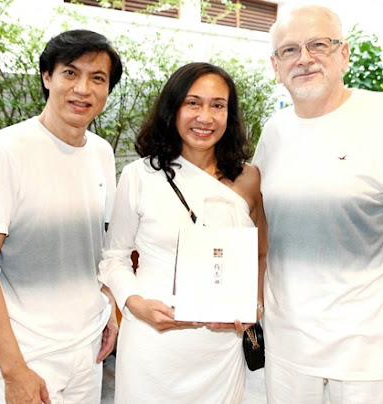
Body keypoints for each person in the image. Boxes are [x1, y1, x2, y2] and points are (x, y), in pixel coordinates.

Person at [252, 4, 383, 404]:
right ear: (275, 66)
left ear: (344, 54)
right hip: (287, 346)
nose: (304, 58)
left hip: (370, 351)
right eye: (290, 50)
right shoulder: (274, 131)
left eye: (318, 45)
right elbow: (259, 224)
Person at [0, 29, 123, 404]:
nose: (83, 89)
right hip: (28, 354)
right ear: (47, 77)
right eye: (71, 73)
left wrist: (109, 308)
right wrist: (14, 371)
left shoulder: (101, 153)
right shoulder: (6, 151)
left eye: (98, 78)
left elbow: (98, 245)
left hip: (88, 346)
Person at [98, 62, 268, 403]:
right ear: (172, 108)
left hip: (221, 348)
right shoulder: (139, 175)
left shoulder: (248, 178)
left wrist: (255, 306)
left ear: (230, 114)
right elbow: (114, 257)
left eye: (217, 105)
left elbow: (260, 254)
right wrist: (136, 304)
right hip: (153, 341)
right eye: (193, 103)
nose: (205, 117)